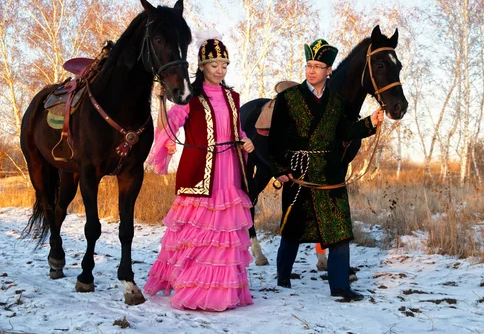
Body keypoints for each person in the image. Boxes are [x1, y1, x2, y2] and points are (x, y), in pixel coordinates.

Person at [144, 31, 255, 311]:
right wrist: (162, 139)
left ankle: (223, 291)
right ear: (202, 66)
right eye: (215, 65)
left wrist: (246, 139)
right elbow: (170, 126)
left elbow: (236, 128)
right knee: (198, 232)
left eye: (225, 65)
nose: (220, 70)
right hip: (200, 171)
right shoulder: (190, 97)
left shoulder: (233, 97)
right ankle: (194, 289)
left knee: (224, 231)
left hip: (228, 168)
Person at [268, 38, 384, 302]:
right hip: (299, 173)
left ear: (329, 70)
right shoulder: (288, 98)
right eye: (309, 65)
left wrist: (369, 123)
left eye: (318, 66)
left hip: (331, 174)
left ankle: (340, 286)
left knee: (339, 231)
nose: (312, 70)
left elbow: (345, 132)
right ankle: (283, 276)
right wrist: (280, 169)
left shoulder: (337, 102)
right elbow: (275, 141)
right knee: (292, 229)